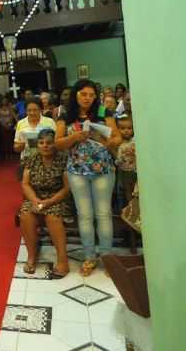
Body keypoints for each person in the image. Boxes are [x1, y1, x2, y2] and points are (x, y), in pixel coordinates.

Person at [54, 79, 122, 276]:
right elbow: (58, 143)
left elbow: (117, 138)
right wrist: (74, 137)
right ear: (76, 94)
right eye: (84, 94)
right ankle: (90, 257)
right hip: (77, 171)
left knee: (103, 214)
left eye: (91, 95)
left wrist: (106, 140)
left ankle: (107, 257)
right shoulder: (66, 115)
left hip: (103, 170)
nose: (88, 98)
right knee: (84, 215)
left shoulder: (103, 112)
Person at [20, 129, 70, 278]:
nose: (45, 146)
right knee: (25, 216)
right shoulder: (32, 157)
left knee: (53, 217)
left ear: (55, 143)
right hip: (36, 197)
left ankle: (62, 260)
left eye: (49, 142)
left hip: (56, 198)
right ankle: (32, 256)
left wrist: (49, 202)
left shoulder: (63, 159)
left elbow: (67, 188)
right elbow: (25, 184)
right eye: (41, 143)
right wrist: (35, 200)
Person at [14, 98, 56, 169]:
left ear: (41, 110)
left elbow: (57, 141)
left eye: (35, 110)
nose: (32, 113)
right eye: (29, 110)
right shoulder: (21, 123)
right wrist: (21, 145)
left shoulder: (50, 122)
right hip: (27, 160)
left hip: (47, 160)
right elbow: (16, 146)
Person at [112, 115, 137, 207]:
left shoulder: (135, 141)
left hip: (135, 170)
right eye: (122, 128)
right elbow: (117, 158)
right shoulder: (118, 143)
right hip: (124, 171)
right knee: (127, 189)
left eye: (129, 128)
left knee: (137, 189)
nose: (126, 130)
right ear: (117, 129)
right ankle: (131, 206)